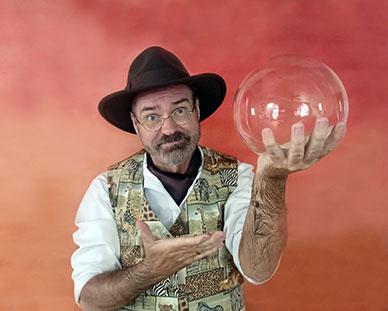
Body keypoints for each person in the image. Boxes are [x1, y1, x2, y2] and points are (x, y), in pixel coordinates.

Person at [71, 46, 346, 311]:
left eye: (179, 110)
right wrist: (147, 272)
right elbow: (89, 299)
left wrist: (272, 180)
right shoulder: (105, 189)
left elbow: (259, 269)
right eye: (152, 116)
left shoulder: (237, 177)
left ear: (197, 110)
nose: (168, 129)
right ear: (136, 124)